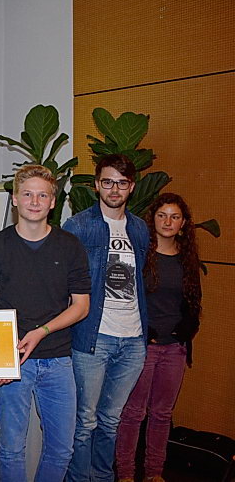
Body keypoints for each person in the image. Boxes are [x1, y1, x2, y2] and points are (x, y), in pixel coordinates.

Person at [0, 165, 91, 482]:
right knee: (12, 448)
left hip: (58, 359)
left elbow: (81, 306)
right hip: (12, 361)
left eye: (42, 195)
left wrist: (41, 332)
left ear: (53, 202)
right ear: (15, 199)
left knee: (62, 449)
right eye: (27, 194)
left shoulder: (70, 246)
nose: (35, 201)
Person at [64, 154, 150, 482]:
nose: (115, 189)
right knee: (85, 422)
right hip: (93, 337)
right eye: (108, 182)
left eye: (122, 183)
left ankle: (102, 477)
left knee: (111, 421)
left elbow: (140, 280)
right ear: (97, 185)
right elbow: (66, 282)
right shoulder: (78, 226)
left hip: (133, 341)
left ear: (131, 187)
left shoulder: (139, 228)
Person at [115, 193, 202, 482]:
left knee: (162, 414)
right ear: (152, 220)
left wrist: (186, 329)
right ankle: (126, 474)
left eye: (175, 217)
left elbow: (193, 301)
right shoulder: (141, 255)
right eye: (162, 215)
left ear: (183, 223)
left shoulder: (187, 259)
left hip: (175, 348)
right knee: (133, 413)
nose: (168, 222)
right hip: (143, 346)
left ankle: (154, 473)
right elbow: (126, 299)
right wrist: (145, 331)